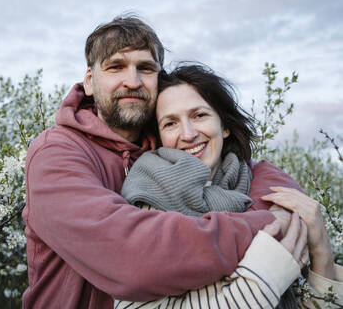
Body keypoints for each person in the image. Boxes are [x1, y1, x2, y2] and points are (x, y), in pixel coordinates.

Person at [22, 15, 302, 309]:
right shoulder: (56, 153)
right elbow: (131, 258)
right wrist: (269, 227)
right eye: (116, 66)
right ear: (90, 81)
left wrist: (286, 205)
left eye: (146, 68)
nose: (133, 81)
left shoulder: (168, 146)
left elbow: (252, 171)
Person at [115, 64, 342, 308]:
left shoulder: (264, 191)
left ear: (224, 126)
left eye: (199, 115)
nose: (188, 134)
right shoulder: (148, 197)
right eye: (170, 123)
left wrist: (322, 255)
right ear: (160, 139)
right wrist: (263, 279)